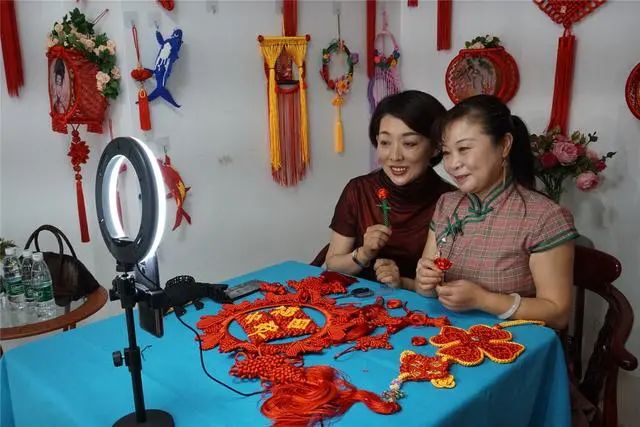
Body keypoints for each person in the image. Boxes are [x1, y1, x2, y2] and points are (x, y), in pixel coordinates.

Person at [413, 95, 577, 329]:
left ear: (504, 145)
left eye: (464, 149)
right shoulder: (447, 204)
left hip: (513, 342)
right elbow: (426, 291)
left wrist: (483, 300)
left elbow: (558, 314)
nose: (452, 164)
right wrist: (425, 282)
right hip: (445, 331)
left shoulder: (544, 217)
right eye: (447, 153)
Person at [325, 90, 454, 288]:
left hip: (418, 301)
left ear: (436, 147)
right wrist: (364, 253)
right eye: (385, 142)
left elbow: (446, 285)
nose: (394, 156)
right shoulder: (359, 190)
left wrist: (401, 282)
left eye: (409, 143)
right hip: (355, 294)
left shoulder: (451, 202)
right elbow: (332, 265)